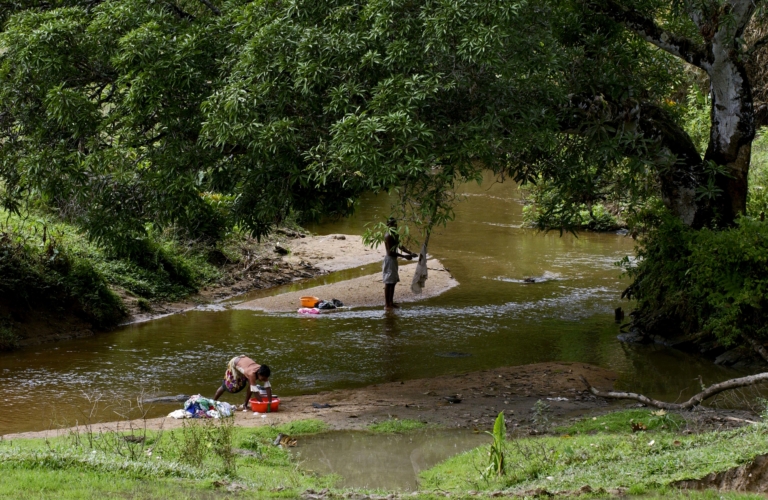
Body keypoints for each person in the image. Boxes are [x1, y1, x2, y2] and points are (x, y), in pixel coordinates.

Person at [382, 218, 416, 309]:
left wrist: (410, 253)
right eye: (393, 224)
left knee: (393, 282)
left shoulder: (395, 234)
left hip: (393, 260)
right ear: (389, 225)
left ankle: (391, 302)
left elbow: (400, 246)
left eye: (396, 224)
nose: (395, 226)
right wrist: (404, 256)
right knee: (388, 282)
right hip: (390, 260)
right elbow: (390, 252)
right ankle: (387, 304)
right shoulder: (388, 235)